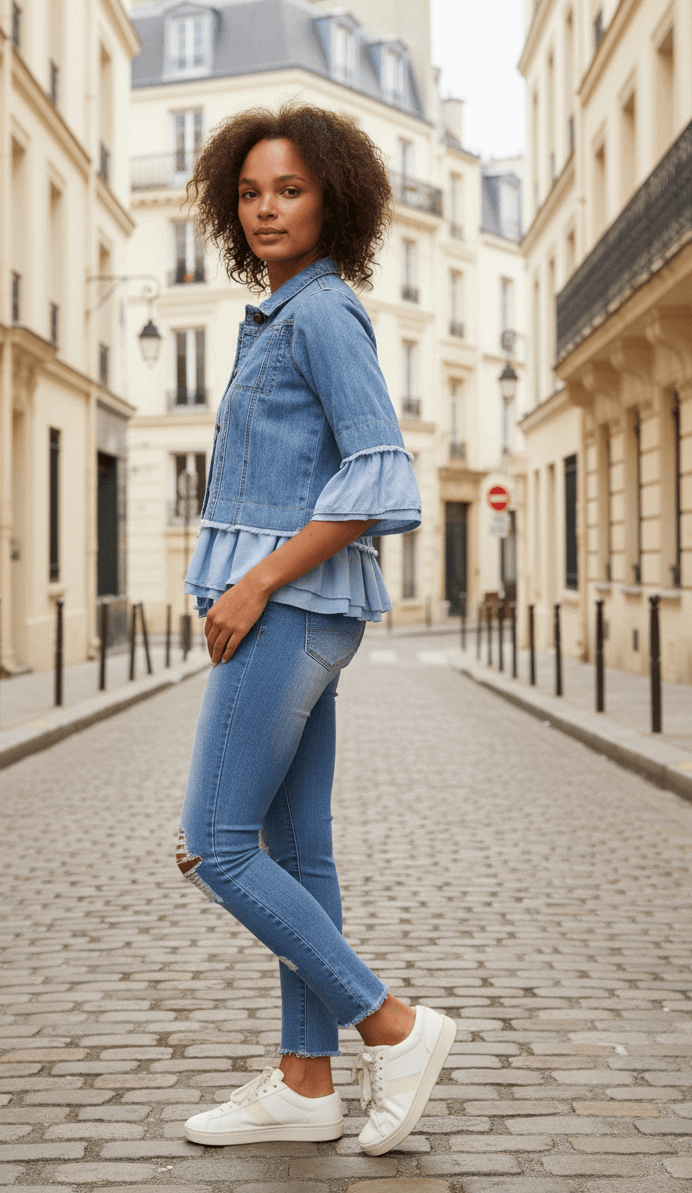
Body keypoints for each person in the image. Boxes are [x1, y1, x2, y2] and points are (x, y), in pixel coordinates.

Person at [176, 103, 456, 1157]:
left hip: (292, 607)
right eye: (249, 192)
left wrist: (251, 586)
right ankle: (303, 1084)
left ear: (332, 197)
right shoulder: (279, 315)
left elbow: (378, 474)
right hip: (308, 609)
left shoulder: (323, 315)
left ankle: (393, 1024)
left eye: (287, 189)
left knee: (215, 846)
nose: (264, 208)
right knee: (297, 849)